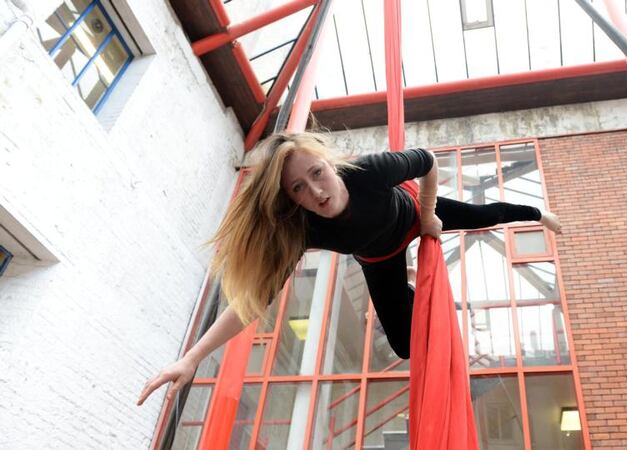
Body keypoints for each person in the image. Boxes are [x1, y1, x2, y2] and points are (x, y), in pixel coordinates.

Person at [137, 132, 561, 406]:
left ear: (331, 165)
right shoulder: (302, 228)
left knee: (483, 214)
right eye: (299, 188)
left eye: (318, 174)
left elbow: (429, 160)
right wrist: (192, 357)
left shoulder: (368, 172)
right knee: (402, 345)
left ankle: (537, 212)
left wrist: (429, 215)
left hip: (412, 214)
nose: (317, 192)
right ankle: (413, 284)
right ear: (292, 198)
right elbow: (251, 304)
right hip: (379, 259)